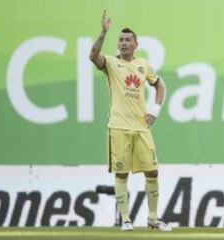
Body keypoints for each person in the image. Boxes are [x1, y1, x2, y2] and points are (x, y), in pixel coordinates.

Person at [89, 10, 172, 232]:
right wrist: (103, 33)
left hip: (142, 127)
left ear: (136, 44)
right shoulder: (110, 63)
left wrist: (155, 109)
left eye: (128, 40)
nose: (124, 43)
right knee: (121, 173)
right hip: (118, 127)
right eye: (121, 40)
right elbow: (93, 56)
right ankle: (126, 219)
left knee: (153, 171)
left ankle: (153, 219)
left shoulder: (143, 64)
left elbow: (160, 85)